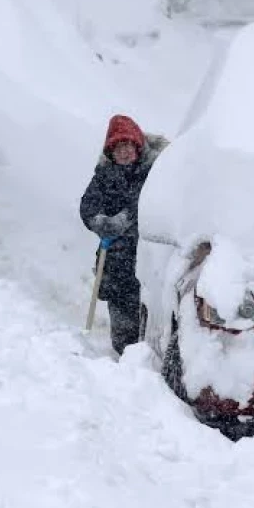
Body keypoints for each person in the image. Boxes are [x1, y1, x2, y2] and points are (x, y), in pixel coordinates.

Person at [80, 114, 168, 355]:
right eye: (118, 147)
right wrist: (99, 222)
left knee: (151, 315)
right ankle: (124, 365)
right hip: (116, 258)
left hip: (148, 255)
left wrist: (126, 218)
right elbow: (87, 205)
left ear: (138, 145)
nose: (125, 152)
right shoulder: (104, 175)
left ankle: (150, 362)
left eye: (128, 145)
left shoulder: (153, 172)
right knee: (122, 322)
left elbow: (152, 203)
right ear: (111, 152)